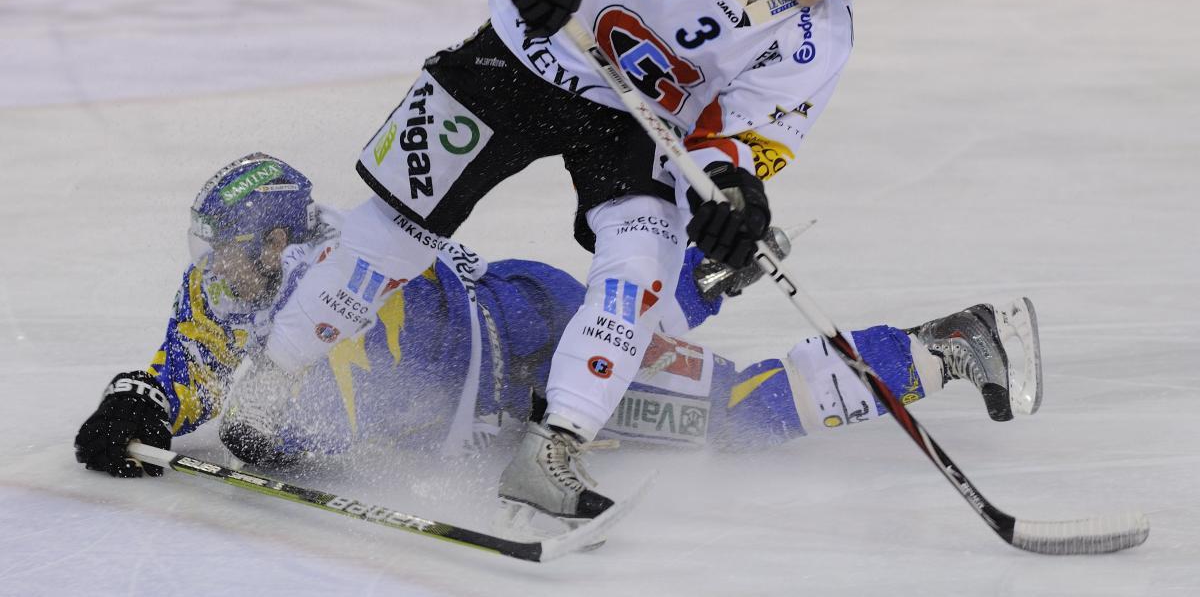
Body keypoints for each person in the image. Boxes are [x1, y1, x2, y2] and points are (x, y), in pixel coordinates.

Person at [194, 0, 913, 524]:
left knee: (641, 270)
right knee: (393, 235)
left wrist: (733, 186)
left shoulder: (823, 36)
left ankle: (553, 449)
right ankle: (272, 383)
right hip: (524, 53)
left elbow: (746, 132)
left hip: (635, 122)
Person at [75, 155, 1043, 497]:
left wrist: (286, 440)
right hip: (530, 349)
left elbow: (409, 389)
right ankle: (701, 283)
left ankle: (945, 346)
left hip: (539, 344)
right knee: (689, 375)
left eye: (231, 245)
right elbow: (191, 366)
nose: (214, 266)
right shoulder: (230, 289)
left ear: (283, 240)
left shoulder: (358, 273)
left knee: (735, 417)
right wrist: (140, 403)